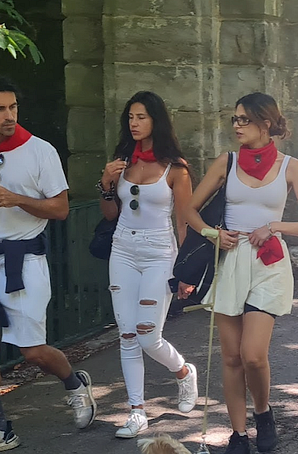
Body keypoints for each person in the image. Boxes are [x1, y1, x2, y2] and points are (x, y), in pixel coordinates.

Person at [0, 75, 97, 454]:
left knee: (32, 350)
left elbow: (60, 209)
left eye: (13, 107)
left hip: (23, 257)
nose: (9, 115)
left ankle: (74, 383)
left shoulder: (40, 151)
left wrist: (18, 199)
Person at [182, 92, 298, 454]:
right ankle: (238, 435)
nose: (237, 126)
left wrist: (275, 225)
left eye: (244, 119)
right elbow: (189, 210)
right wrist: (214, 233)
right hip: (230, 262)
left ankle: (263, 413)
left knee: (252, 355)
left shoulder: (290, 166)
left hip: (268, 263)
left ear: (266, 123)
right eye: (234, 119)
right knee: (230, 356)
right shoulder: (226, 162)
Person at [98, 91, 199, 438]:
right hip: (123, 249)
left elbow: (184, 221)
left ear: (156, 119)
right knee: (126, 334)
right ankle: (136, 411)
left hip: (160, 252)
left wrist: (186, 271)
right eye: (130, 117)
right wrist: (106, 185)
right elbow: (111, 213)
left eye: (141, 116)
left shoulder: (176, 168)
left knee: (147, 334)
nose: (135, 123)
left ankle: (184, 372)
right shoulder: (122, 161)